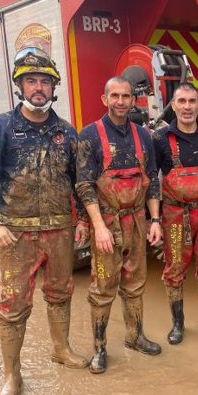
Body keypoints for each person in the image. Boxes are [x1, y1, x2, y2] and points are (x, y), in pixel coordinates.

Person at [0, 47, 88, 395]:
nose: (38, 87)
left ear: (54, 88)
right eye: (31, 80)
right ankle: (12, 374)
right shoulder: (0, 128)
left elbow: (79, 181)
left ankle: (61, 349)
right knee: (13, 303)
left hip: (59, 229)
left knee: (61, 292)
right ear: (20, 85)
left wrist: (82, 219)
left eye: (45, 81)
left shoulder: (66, 132)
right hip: (16, 233)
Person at [75, 76, 163, 374]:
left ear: (133, 100)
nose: (121, 101)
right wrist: (97, 226)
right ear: (105, 99)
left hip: (137, 220)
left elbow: (151, 180)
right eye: (115, 96)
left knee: (136, 283)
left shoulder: (143, 135)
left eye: (126, 96)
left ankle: (135, 336)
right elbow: (85, 186)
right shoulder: (89, 136)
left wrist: (155, 220)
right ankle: (99, 349)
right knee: (103, 287)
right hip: (107, 223)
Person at [152, 83, 198, 345]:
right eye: (181, 101)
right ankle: (178, 324)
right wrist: (155, 220)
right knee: (175, 268)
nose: (187, 107)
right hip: (174, 214)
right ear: (173, 105)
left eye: (192, 101)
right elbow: (152, 180)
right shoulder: (160, 138)